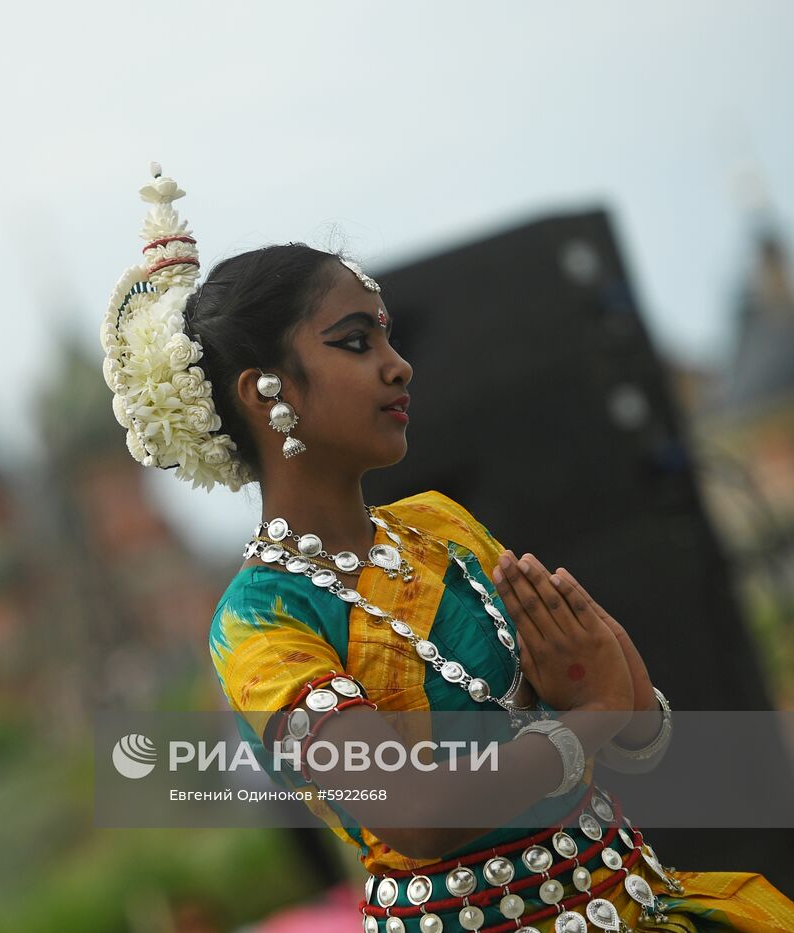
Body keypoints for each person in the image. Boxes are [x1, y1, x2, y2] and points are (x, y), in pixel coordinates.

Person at [100, 164, 794, 932]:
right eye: (356, 342)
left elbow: (629, 724)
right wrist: (592, 715)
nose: (398, 365)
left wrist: (609, 688)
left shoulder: (440, 526)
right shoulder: (259, 622)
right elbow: (412, 812)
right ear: (267, 392)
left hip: (640, 899)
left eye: (388, 337)